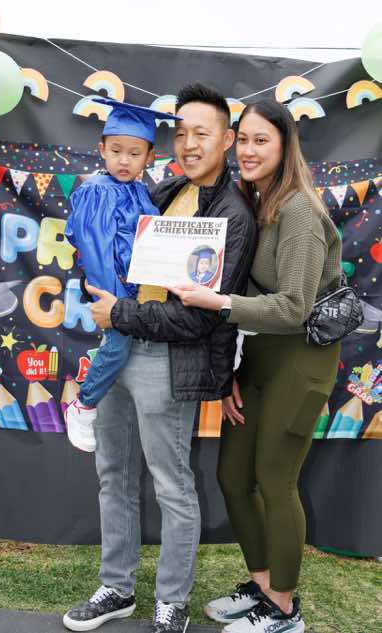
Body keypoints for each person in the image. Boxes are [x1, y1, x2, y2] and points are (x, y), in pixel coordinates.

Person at [62, 83, 257, 633]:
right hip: (120, 347)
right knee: (113, 475)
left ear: (226, 139)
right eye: (181, 133)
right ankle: (117, 587)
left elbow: (201, 317)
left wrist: (120, 314)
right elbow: (110, 257)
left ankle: (172, 600)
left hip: (167, 359)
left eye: (202, 133)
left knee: (171, 484)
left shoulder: (233, 214)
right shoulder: (161, 190)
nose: (189, 143)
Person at [168, 99, 342, 633]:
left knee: (274, 480)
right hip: (262, 355)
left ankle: (285, 610)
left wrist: (216, 302)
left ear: (285, 147)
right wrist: (231, 375)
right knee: (232, 476)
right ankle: (264, 586)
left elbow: (293, 308)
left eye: (261, 140)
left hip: (303, 360)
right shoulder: (255, 201)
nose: (247, 150)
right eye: (242, 139)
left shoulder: (299, 211)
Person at [64, 99, 179, 452]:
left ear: (150, 157)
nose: (124, 161)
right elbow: (95, 247)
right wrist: (114, 302)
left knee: (121, 352)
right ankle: (82, 405)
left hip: (137, 293)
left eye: (134, 153)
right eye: (116, 151)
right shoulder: (98, 190)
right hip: (114, 291)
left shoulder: (140, 191)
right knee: (116, 347)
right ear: (102, 150)